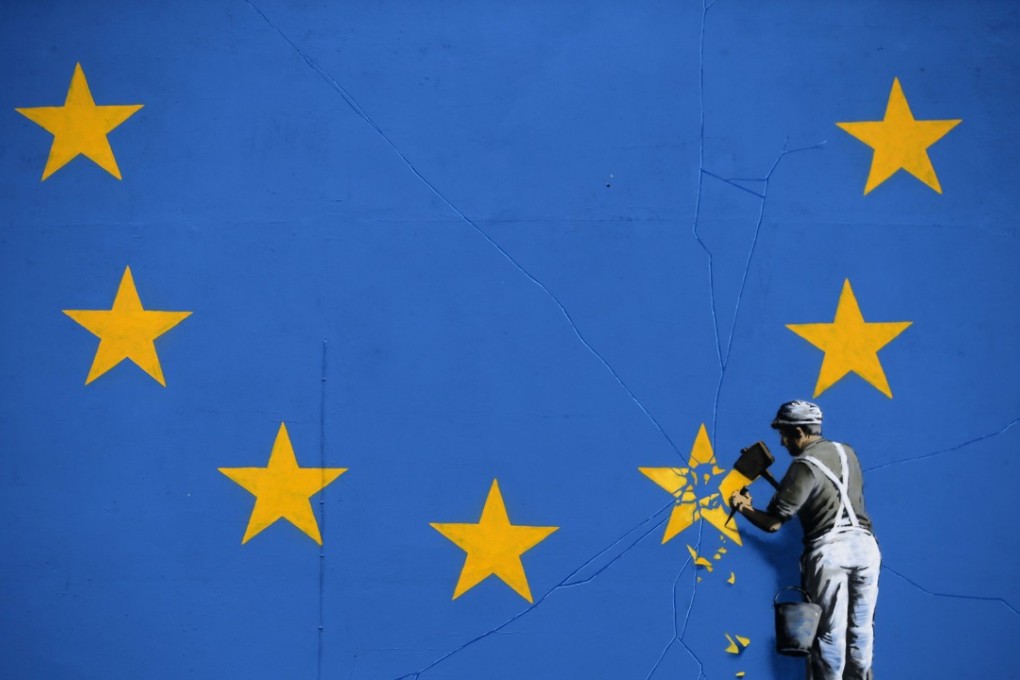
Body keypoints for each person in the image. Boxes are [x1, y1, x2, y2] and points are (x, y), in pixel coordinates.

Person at [729, 400, 880, 680]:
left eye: (785, 435)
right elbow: (830, 499)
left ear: (799, 431)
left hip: (831, 552)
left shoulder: (803, 466)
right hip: (866, 548)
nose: (784, 443)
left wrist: (743, 506)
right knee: (861, 631)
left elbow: (773, 523)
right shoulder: (847, 452)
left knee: (829, 635)